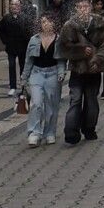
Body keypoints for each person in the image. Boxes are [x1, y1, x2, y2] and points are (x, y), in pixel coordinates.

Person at [60, 0, 104, 144]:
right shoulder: (69, 26)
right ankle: (71, 131)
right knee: (75, 99)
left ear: (90, 8)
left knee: (91, 100)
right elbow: (64, 47)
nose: (83, 10)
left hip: (94, 70)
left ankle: (89, 129)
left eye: (86, 6)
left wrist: (97, 60)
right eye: (80, 7)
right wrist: (80, 50)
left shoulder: (100, 24)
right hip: (78, 70)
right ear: (76, 9)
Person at [19, 11, 63, 146]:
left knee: (51, 106)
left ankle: (49, 132)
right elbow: (28, 60)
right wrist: (24, 77)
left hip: (53, 73)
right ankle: (34, 133)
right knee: (36, 103)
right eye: (43, 22)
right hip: (36, 73)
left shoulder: (59, 39)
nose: (46, 24)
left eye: (48, 21)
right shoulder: (34, 39)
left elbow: (61, 59)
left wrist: (61, 73)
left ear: (54, 23)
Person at [0, 0, 33, 99]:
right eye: (12, 4)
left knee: (23, 67)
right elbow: (1, 30)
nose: (14, 6)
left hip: (22, 46)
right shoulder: (6, 18)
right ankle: (12, 86)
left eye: (16, 4)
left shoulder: (25, 18)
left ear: (20, 6)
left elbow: (29, 31)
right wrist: (5, 41)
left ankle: (23, 86)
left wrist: (28, 43)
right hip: (11, 46)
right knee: (12, 65)